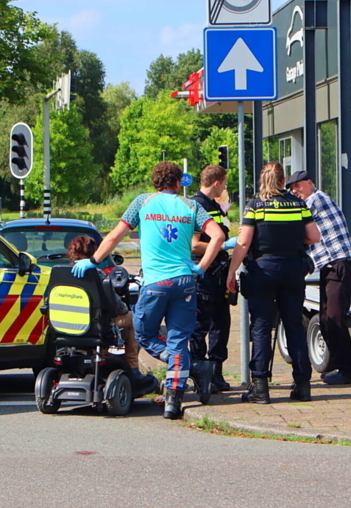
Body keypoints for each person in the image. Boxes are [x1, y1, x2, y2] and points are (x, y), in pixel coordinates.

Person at [72, 161, 226, 419]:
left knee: (144, 333)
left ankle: (189, 366)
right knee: (179, 338)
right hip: (186, 281)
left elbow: (113, 237)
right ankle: (174, 400)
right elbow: (219, 236)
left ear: (155, 182)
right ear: (178, 183)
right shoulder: (191, 206)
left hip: (156, 283)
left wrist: (93, 261)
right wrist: (201, 268)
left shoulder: (142, 202)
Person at [226, 162, 320, 403]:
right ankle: (302, 385)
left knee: (260, 327)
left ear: (262, 179)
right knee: (294, 326)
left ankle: (260, 387)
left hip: (263, 271)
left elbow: (244, 242)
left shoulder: (255, 205)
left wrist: (232, 271)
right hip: (293, 271)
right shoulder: (298, 204)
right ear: (282, 180)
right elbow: (313, 236)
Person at [286, 170, 351, 385]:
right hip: (330, 267)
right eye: (291, 189)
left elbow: (294, 222)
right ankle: (341, 367)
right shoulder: (311, 200)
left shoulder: (317, 199)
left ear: (310, 183)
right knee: (327, 319)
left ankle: (348, 371)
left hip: (340, 265)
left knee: (335, 319)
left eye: (298, 186)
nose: (295, 191)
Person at [65, 234, 158, 396]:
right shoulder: (97, 275)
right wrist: (127, 307)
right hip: (96, 323)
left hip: (68, 324)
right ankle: (133, 368)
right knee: (134, 319)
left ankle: (104, 355)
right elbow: (117, 307)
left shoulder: (62, 274)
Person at [190, 164, 235, 393]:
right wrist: (221, 246)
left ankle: (216, 373)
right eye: (224, 183)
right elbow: (194, 245)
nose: (225, 187)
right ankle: (200, 374)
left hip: (218, 274)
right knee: (200, 327)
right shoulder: (196, 206)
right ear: (216, 183)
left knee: (221, 325)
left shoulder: (214, 206)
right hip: (204, 275)